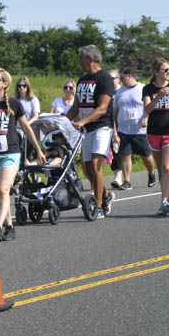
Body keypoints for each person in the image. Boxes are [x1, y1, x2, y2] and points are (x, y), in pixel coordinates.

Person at [0, 68, 45, 241]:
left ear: (5, 84)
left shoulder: (13, 104)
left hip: (10, 152)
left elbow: (26, 127)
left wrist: (38, 149)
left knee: (4, 189)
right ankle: (10, 227)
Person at [66, 45, 116, 218]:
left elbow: (103, 108)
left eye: (80, 58)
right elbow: (76, 106)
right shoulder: (82, 80)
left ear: (89, 59)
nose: (79, 62)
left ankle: (99, 205)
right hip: (86, 128)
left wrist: (82, 121)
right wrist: (63, 121)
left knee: (96, 164)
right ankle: (107, 196)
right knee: (87, 169)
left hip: (102, 125)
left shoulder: (105, 79)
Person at [143, 58, 169, 215]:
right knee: (161, 171)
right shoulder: (148, 89)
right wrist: (159, 96)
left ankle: (163, 202)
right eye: (165, 70)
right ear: (156, 72)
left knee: (167, 168)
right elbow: (147, 109)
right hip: (154, 133)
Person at [111, 67, 156, 190]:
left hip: (140, 130)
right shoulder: (120, 92)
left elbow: (149, 107)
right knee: (125, 155)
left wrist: (146, 118)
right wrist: (115, 130)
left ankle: (151, 173)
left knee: (145, 155)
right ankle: (127, 181)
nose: (120, 80)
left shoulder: (143, 88)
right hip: (124, 130)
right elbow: (115, 112)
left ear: (130, 76)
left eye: (122, 77)